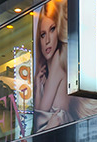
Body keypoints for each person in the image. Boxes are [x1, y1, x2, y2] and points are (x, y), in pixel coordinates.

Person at [34, 0, 72, 131]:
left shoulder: (58, 58)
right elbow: (39, 116)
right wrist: (38, 87)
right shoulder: (48, 70)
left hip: (60, 129)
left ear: (59, 30)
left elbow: (41, 111)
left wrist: (38, 89)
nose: (47, 41)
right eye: (43, 35)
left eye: (52, 29)